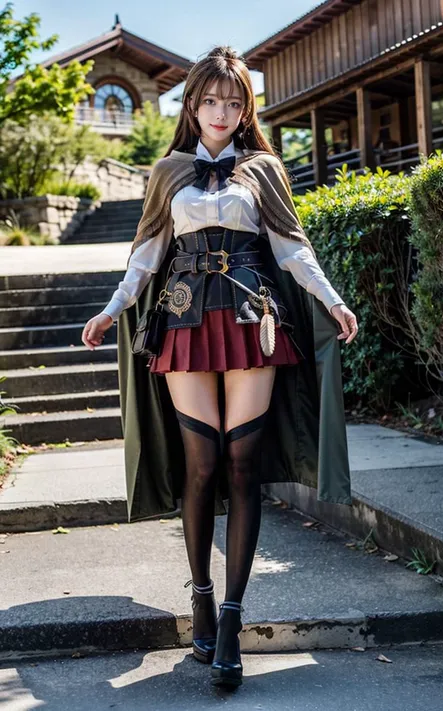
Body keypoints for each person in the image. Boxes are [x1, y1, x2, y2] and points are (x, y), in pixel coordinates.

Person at [81, 45, 358, 689]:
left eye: (234, 103)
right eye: (210, 101)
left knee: (241, 464)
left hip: (252, 324)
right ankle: (200, 595)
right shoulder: (168, 171)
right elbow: (146, 258)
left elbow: (293, 250)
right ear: (192, 105)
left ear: (245, 109)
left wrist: (334, 301)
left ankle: (233, 616)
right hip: (181, 322)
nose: (222, 112)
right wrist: (109, 310)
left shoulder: (263, 170)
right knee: (201, 466)